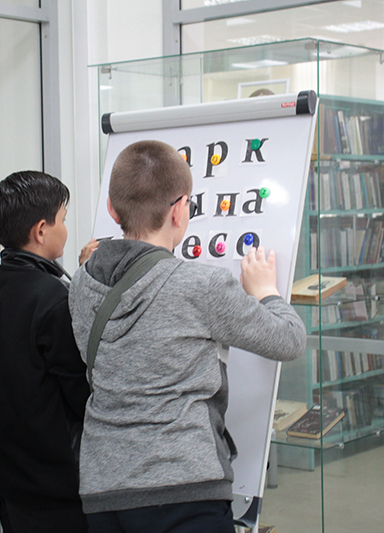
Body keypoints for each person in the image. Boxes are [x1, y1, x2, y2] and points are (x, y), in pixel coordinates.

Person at [68, 140, 307, 532]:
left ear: (111, 209)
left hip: (103, 490)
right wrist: (266, 291)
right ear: (180, 210)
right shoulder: (201, 284)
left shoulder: (80, 283)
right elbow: (290, 340)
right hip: (184, 488)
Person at [0, 171, 90, 533]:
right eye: (63, 220)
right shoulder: (51, 298)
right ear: (41, 230)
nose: (65, 229)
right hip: (57, 486)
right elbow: (82, 394)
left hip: (11, 479)